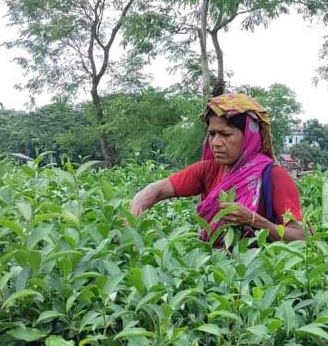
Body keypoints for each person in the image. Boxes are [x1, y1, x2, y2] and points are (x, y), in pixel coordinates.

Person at [129, 93, 306, 243]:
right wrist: (127, 229)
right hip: (211, 270)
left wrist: (255, 221)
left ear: (249, 137)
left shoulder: (274, 176)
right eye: (212, 134)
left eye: (226, 134)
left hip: (257, 274)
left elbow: (300, 237)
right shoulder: (208, 170)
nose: (215, 143)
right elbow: (155, 191)